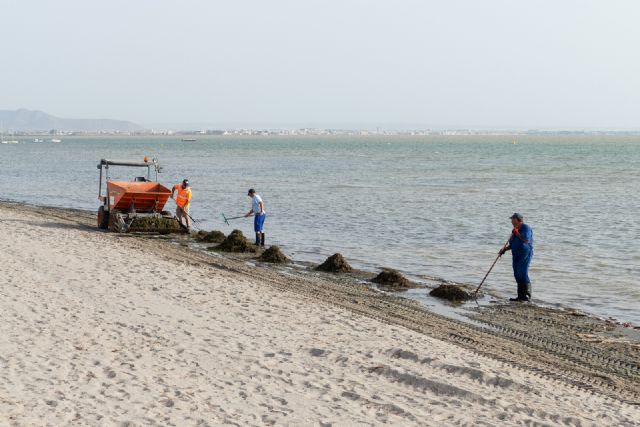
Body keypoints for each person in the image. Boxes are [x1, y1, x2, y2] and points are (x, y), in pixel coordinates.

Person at [499, 213, 534, 302]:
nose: (511, 221)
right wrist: (504, 250)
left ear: (518, 220)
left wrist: (517, 233)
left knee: (522, 273)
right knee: (517, 274)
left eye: (513, 219)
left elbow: (526, 240)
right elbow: (513, 244)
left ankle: (526, 296)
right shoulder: (515, 230)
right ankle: (520, 296)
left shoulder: (526, 228)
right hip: (516, 254)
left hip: (524, 253)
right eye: (511, 219)